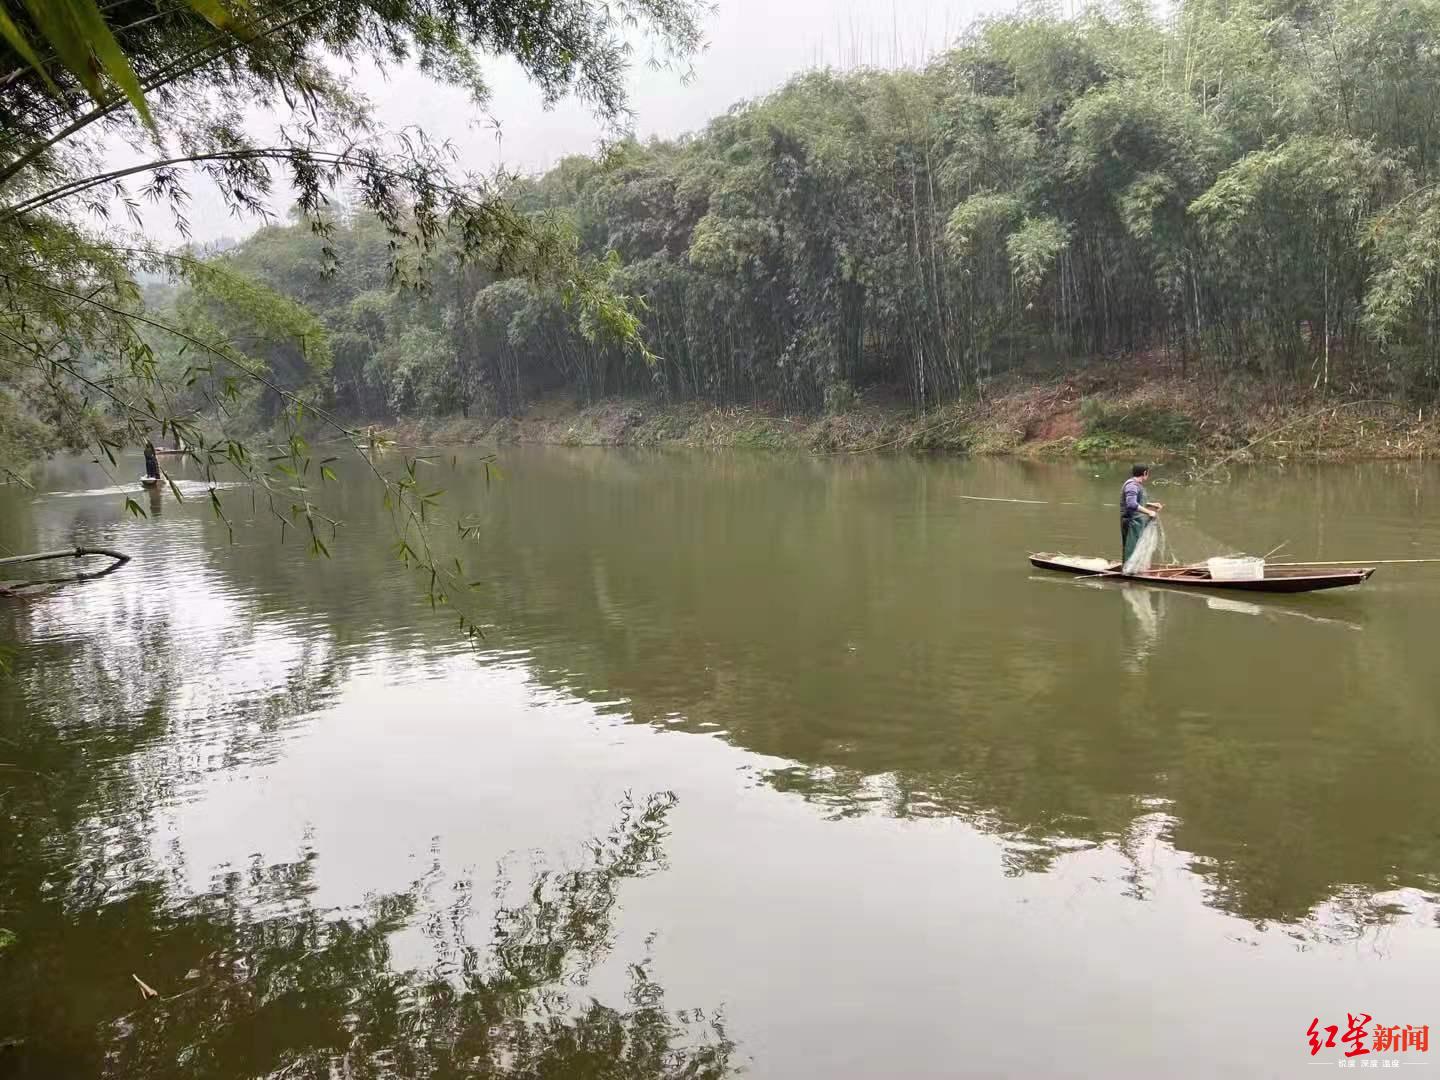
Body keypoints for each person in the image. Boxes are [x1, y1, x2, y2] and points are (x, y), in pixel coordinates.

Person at [1121, 464, 1163, 563]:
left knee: (1136, 547)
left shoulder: (1136, 485)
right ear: (1145, 473)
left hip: (1136, 522)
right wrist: (1149, 512)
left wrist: (1151, 504)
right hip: (1131, 522)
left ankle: (1133, 568)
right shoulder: (1132, 485)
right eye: (1148, 473)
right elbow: (1131, 504)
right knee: (1131, 547)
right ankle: (1129, 571)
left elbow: (1137, 502)